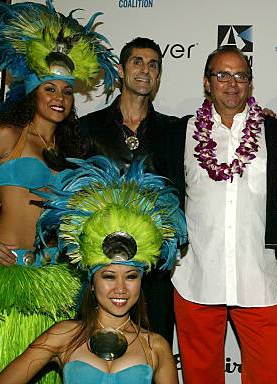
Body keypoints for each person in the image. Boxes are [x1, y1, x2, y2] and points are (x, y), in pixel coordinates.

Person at [0, 2, 117, 383]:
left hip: (45, 278)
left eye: (67, 92)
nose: (59, 97)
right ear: (32, 94)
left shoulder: (67, 157)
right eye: (49, 89)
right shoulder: (9, 137)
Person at [0, 156, 186, 384]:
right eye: (108, 276)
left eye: (131, 277)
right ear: (92, 281)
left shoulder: (155, 347)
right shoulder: (64, 335)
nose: (121, 288)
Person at [171, 45, 277, 383]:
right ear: (207, 82)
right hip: (197, 277)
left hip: (256, 279)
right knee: (200, 377)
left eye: (240, 75)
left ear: (250, 83)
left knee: (268, 377)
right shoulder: (181, 133)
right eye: (222, 74)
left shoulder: (275, 134)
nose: (231, 83)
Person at [79, 37, 185, 346]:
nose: (145, 70)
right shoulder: (88, 127)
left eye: (153, 65)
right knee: (97, 350)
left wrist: (263, 121)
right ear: (122, 70)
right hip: (101, 267)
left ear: (159, 76)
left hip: (154, 268)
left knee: (154, 351)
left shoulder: (174, 130)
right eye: (137, 62)